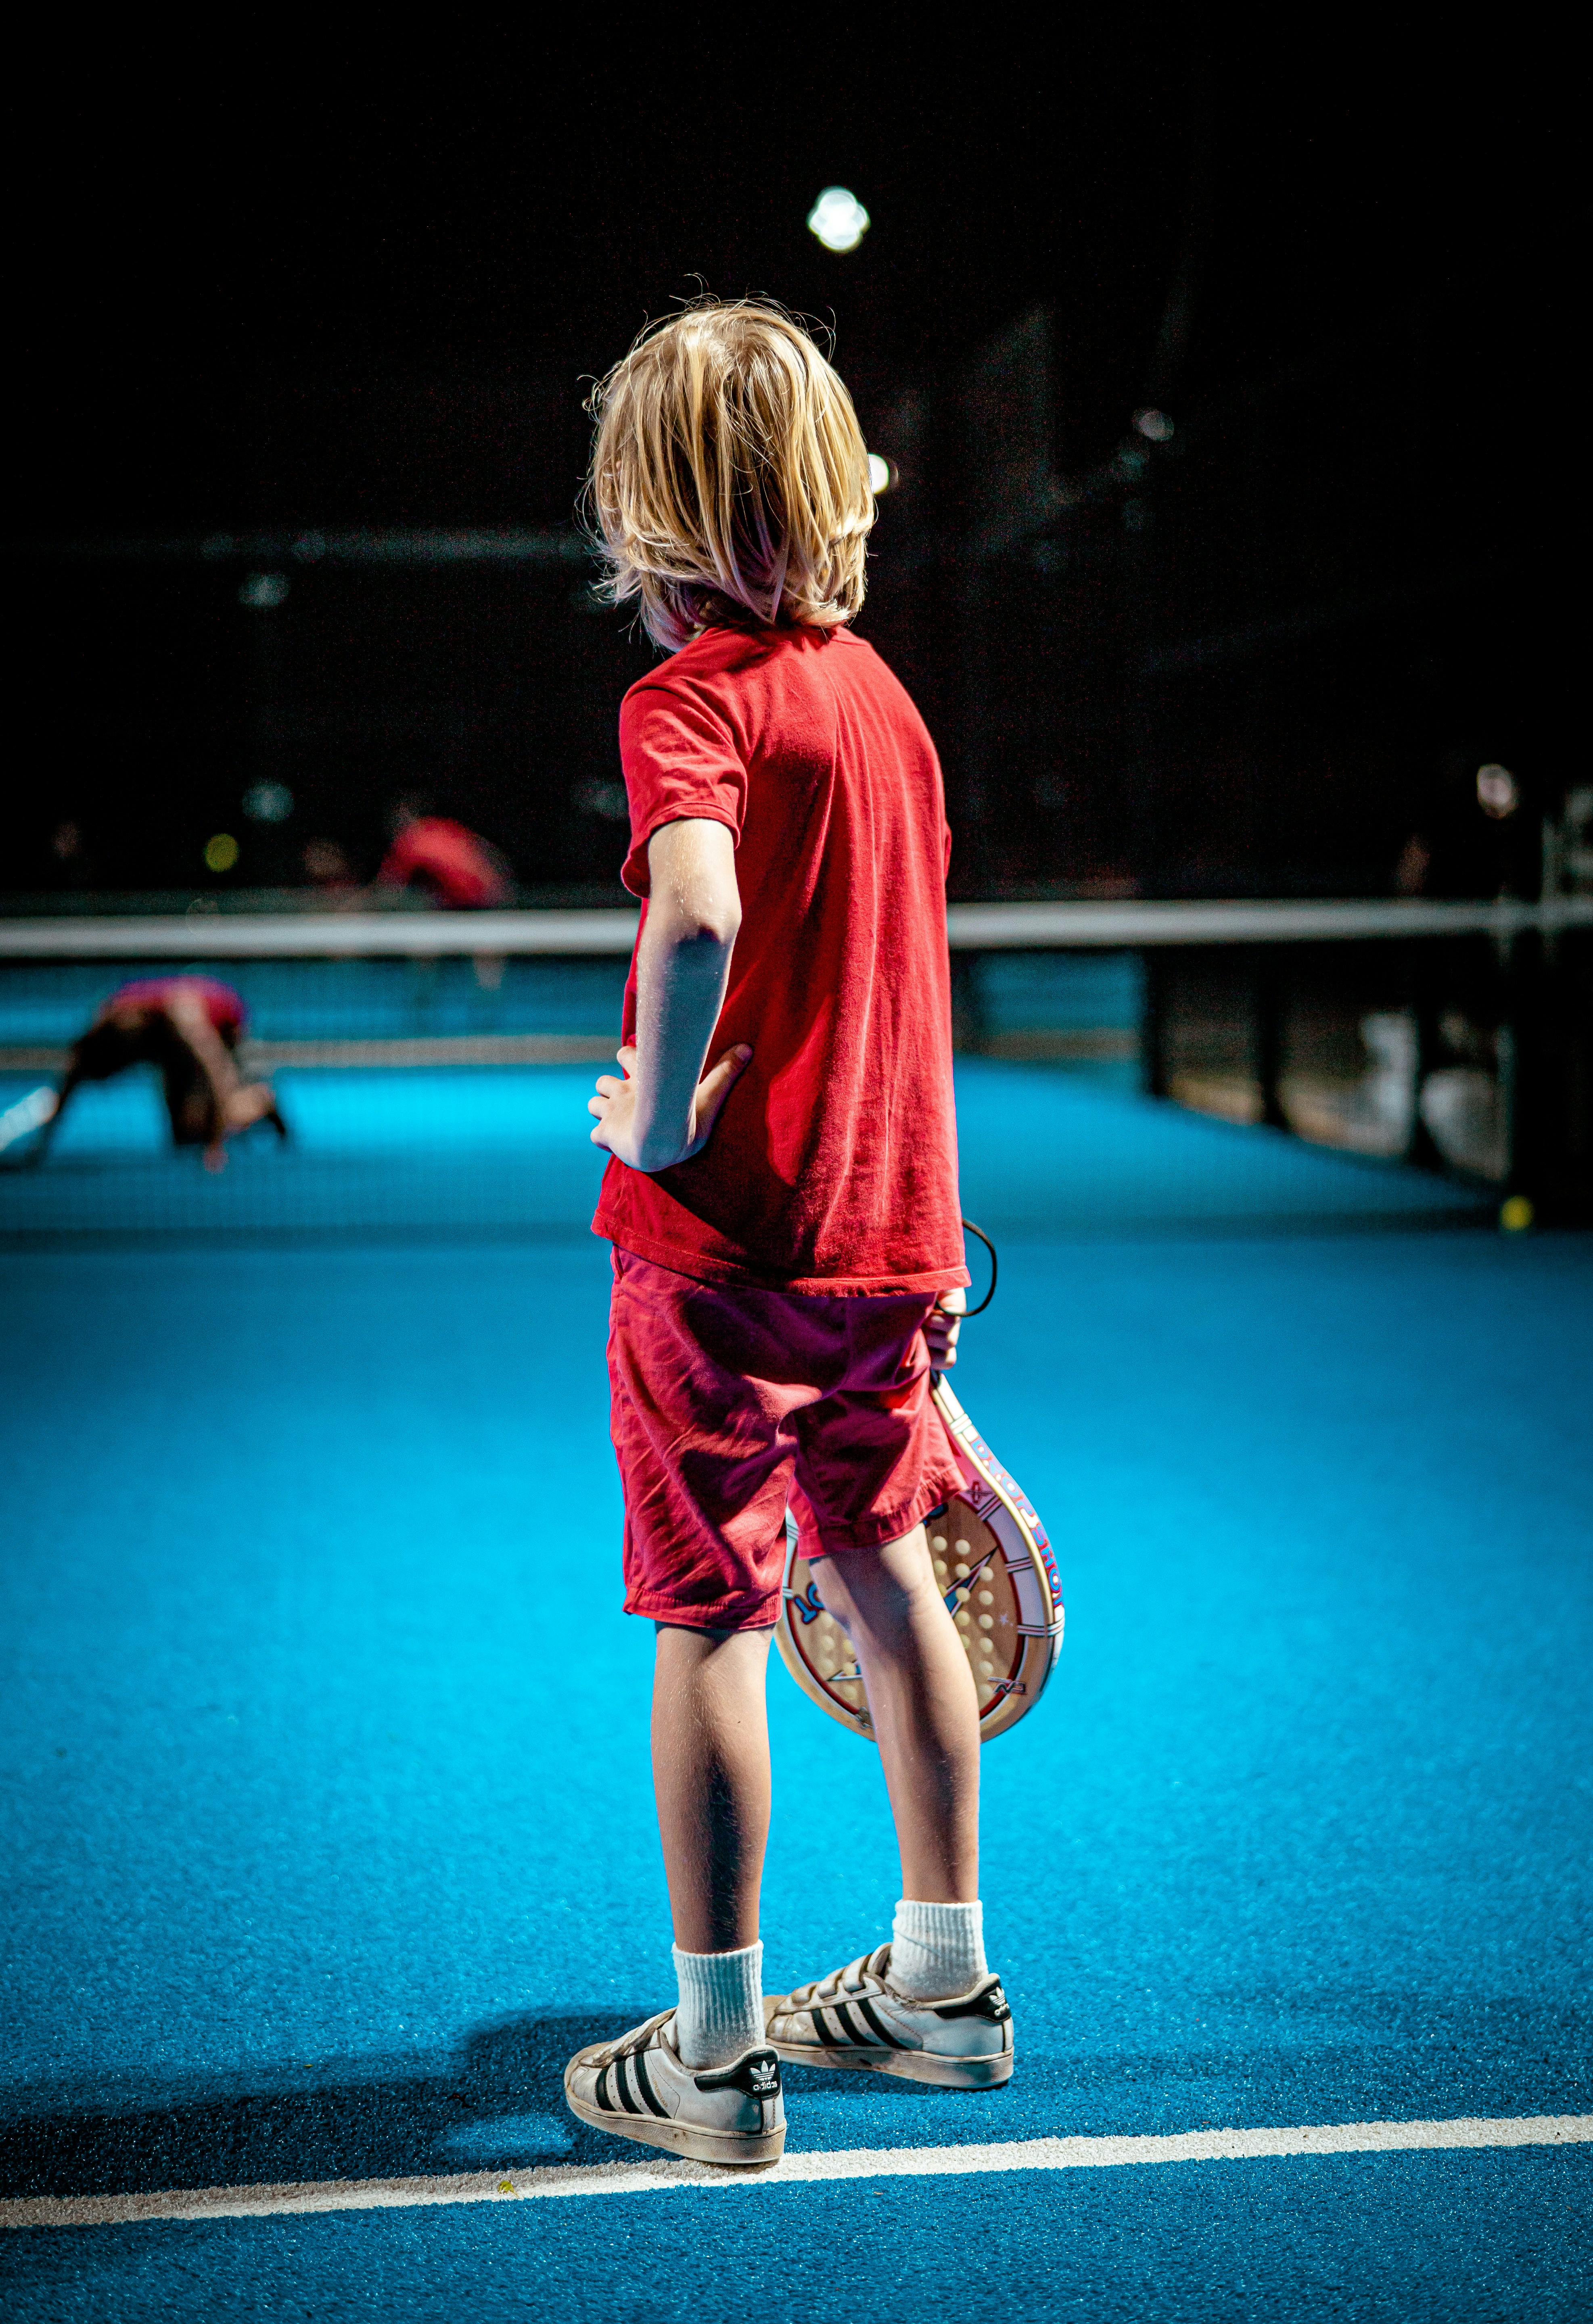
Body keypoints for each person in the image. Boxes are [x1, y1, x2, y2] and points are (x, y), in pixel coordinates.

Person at [566, 301, 1011, 2171]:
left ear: (646, 518)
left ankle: (723, 2054)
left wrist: (659, 1120)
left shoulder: (687, 702)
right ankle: (938, 1981)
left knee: (712, 1621)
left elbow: (695, 914)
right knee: (884, 1567)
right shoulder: (885, 701)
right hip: (891, 1249)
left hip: (725, 1255)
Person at [8, 976, 285, 1170]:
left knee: (224, 1098)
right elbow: (73, 1073)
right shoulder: (119, 1021)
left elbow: (216, 1071)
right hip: (162, 1029)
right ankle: (254, 1109)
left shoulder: (189, 1019)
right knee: (188, 1130)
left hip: (195, 1026)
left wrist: (215, 1145)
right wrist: (40, 1148)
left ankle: (264, 1106)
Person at [375, 803, 512, 909]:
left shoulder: (412, 842)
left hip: (471, 901)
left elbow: (390, 885)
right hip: (492, 892)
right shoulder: (441, 828)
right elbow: (487, 851)